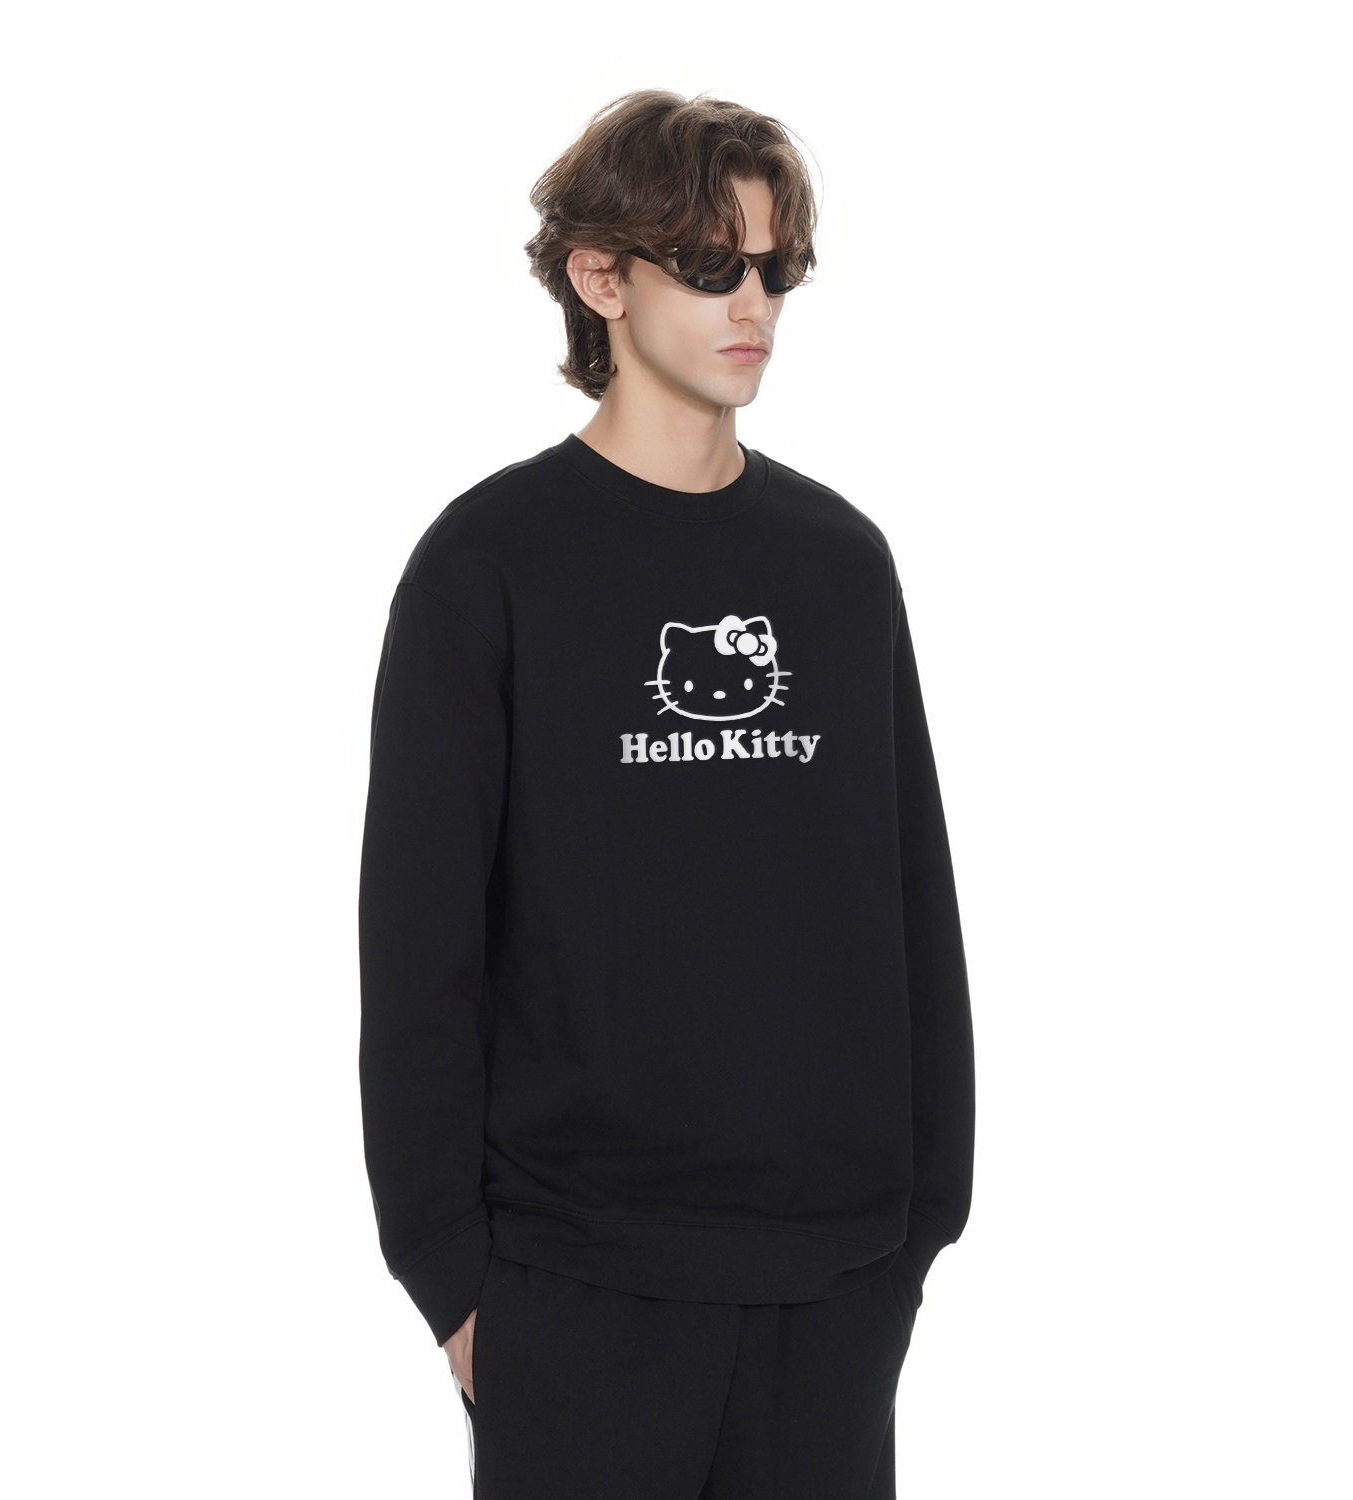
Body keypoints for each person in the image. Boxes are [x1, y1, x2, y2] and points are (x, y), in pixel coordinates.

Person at [358, 88, 975, 1499]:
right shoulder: (489, 564)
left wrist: (923, 1224)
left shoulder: (839, 563)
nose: (753, 304)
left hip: (834, 1288)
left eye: (776, 267)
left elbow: (911, 898)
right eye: (710, 266)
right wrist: (450, 1272)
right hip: (576, 1284)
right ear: (602, 278)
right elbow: (419, 946)